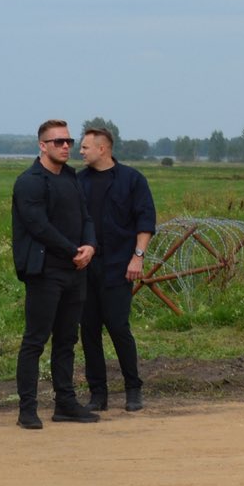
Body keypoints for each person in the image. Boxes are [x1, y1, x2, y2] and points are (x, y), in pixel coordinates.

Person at [10, 119, 99, 429]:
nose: (65, 146)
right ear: (42, 145)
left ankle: (65, 403)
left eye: (69, 141)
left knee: (66, 339)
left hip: (76, 271)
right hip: (46, 271)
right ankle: (27, 409)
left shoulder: (72, 178)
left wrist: (89, 245)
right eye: (58, 141)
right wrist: (73, 252)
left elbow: (86, 217)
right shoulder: (30, 181)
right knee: (35, 340)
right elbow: (38, 226)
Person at [76, 126, 155, 413]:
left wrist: (138, 257)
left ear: (103, 149)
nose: (80, 151)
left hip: (120, 266)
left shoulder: (132, 180)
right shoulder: (77, 181)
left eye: (85, 147)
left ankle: (133, 389)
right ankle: (98, 394)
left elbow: (145, 221)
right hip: (85, 268)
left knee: (119, 328)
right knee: (89, 331)